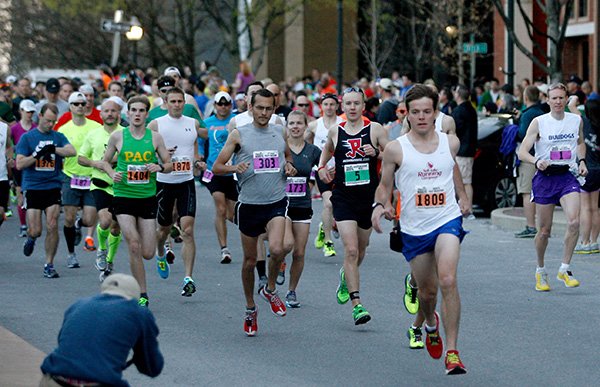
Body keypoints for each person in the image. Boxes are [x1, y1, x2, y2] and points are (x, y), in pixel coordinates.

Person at [372, 84, 469, 375]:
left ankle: (452, 353)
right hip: (414, 228)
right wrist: (381, 206)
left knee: (448, 279)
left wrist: (462, 195)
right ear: (408, 115)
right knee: (427, 293)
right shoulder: (395, 149)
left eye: (428, 111)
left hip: (446, 219)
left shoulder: (449, 142)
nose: (422, 117)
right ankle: (430, 324)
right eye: (416, 112)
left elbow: (450, 167)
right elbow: (384, 186)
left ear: (436, 113)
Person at [212, 88, 296, 336]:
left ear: (274, 109)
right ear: (251, 107)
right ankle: (250, 308)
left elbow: (287, 156)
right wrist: (234, 167)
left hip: (276, 201)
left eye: (269, 108)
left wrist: (289, 167)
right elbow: (217, 166)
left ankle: (270, 290)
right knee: (249, 262)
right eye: (259, 108)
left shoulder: (280, 131)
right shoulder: (239, 134)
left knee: (278, 248)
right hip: (249, 204)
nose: (264, 113)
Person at [317, 87, 388, 325]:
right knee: (351, 250)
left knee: (362, 248)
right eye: (348, 104)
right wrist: (321, 168)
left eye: (356, 103)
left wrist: (376, 152)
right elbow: (326, 151)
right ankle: (357, 305)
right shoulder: (335, 130)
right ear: (342, 107)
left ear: (363, 106)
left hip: (368, 198)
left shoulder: (375, 129)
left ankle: (346, 276)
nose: (352, 108)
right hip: (344, 197)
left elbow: (393, 155)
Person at [101, 96, 173, 307]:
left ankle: (159, 251)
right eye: (134, 110)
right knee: (133, 244)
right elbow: (105, 162)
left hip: (147, 198)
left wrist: (159, 167)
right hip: (123, 196)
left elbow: (168, 164)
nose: (138, 114)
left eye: (142, 110)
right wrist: (112, 172)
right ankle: (142, 293)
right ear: (128, 113)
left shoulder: (155, 138)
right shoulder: (117, 137)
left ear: (146, 114)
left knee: (147, 252)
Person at [517, 82, 587, 291]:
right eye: (553, 98)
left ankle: (564, 268)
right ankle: (540, 270)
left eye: (561, 98)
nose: (557, 101)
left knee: (574, 222)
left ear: (567, 100)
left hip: (566, 176)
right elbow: (522, 152)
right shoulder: (539, 122)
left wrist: (582, 161)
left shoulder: (576, 120)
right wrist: (536, 161)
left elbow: (581, 142)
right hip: (545, 178)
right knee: (544, 231)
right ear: (547, 100)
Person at [39, 273, 164, 386]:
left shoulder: (78, 305)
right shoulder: (138, 312)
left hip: (52, 379)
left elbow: (66, 343)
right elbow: (152, 367)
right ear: (133, 297)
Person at [148, 87, 205, 296]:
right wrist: (160, 156)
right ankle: (161, 253)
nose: (177, 105)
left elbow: (195, 152)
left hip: (186, 181)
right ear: (165, 101)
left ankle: (188, 278)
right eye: (173, 101)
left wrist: (199, 163)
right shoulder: (156, 124)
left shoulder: (193, 124)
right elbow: (146, 153)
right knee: (163, 229)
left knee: (188, 230)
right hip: (164, 182)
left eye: (180, 101)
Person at [16, 103, 76, 278]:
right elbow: (19, 164)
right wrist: (37, 155)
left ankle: (49, 264)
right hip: (33, 186)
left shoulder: (58, 136)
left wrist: (54, 149)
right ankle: (31, 238)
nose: (51, 124)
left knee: (52, 224)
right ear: (40, 116)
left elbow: (72, 151)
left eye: (53, 121)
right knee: (36, 230)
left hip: (53, 185)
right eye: (48, 120)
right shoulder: (28, 138)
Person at [78, 100, 124, 282]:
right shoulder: (93, 134)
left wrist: (114, 160)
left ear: (119, 113)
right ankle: (102, 248)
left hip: (120, 185)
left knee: (116, 226)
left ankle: (109, 262)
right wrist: (95, 163)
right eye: (106, 111)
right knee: (105, 221)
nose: (110, 114)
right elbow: (81, 158)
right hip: (100, 183)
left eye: (113, 111)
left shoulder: (125, 134)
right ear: (101, 114)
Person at [279, 111, 321, 307]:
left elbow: (320, 170)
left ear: (305, 127)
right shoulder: (280, 148)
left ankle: (291, 291)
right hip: (282, 204)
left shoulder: (313, 151)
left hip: (303, 204)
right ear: (286, 126)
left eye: (299, 124)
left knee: (299, 253)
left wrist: (314, 184)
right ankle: (278, 261)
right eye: (291, 123)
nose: (295, 127)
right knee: (286, 245)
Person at [57, 92, 100, 269]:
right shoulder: (63, 129)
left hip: (90, 177)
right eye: (76, 104)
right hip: (70, 176)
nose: (81, 106)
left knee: (90, 219)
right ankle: (71, 254)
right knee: (68, 217)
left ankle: (78, 224)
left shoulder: (96, 126)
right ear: (70, 107)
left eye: (83, 103)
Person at [202, 91, 237, 264]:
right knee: (221, 209)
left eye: (226, 104)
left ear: (230, 105)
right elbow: (200, 143)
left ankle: (257, 234)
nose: (223, 107)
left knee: (232, 214)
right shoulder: (207, 123)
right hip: (213, 170)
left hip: (233, 171)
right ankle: (224, 249)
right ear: (214, 106)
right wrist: (199, 158)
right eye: (219, 104)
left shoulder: (235, 121)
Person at [307, 93, 342, 257]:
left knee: (338, 205)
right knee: (328, 204)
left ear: (337, 106)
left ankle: (324, 225)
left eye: (332, 104)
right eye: (326, 104)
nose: (329, 107)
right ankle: (328, 242)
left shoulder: (343, 124)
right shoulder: (314, 125)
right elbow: (305, 146)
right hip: (322, 171)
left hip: (340, 171)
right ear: (321, 106)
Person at [514, 86, 545, 238]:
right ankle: (541, 226)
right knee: (539, 193)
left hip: (528, 158)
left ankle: (531, 226)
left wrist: (514, 127)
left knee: (527, 193)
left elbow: (522, 135)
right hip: (540, 157)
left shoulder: (527, 115)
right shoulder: (541, 113)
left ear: (526, 98)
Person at [574, 99, 600, 253]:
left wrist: (575, 100)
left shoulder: (583, 121)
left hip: (585, 169)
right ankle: (594, 241)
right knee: (595, 208)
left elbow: (571, 106)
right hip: (598, 170)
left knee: (585, 207)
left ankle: (584, 242)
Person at [11, 99, 37, 237]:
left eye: (31, 112)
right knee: (20, 194)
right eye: (27, 111)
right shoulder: (14, 129)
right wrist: (10, 159)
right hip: (19, 166)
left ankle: (34, 223)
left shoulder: (36, 128)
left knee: (32, 194)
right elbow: (9, 146)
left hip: (33, 165)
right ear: (21, 111)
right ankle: (23, 225)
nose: (29, 114)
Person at [452, 85, 478, 217]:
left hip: (462, 151)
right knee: (465, 180)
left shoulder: (459, 111)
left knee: (465, 181)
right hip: (468, 149)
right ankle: (465, 207)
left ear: (458, 95)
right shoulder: (471, 109)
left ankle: (467, 209)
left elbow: (455, 131)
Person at [0, 119, 12, 227]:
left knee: (1, 211)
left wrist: (9, 159)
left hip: (1, 176)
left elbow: (8, 147)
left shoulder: (4, 128)